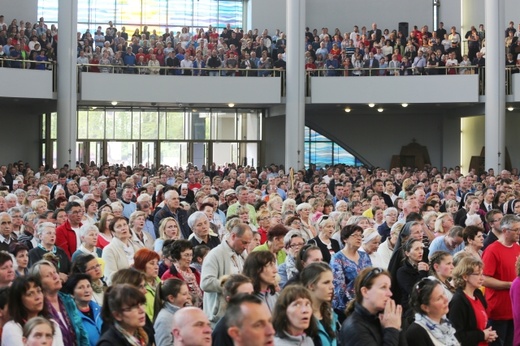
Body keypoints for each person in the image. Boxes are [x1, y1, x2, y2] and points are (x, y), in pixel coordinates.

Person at [200, 222, 253, 324]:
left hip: (238, 313)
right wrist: (232, 286)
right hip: (219, 317)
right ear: (233, 236)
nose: (246, 247)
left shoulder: (242, 254)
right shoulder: (214, 255)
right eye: (244, 242)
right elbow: (205, 283)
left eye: (248, 243)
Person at [29, 260, 89, 346]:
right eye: (48, 275)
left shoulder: (67, 300)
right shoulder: (39, 307)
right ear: (39, 284)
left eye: (55, 272)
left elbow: (82, 332)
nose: (55, 276)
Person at [340, 267, 405, 345]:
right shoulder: (354, 327)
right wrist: (392, 329)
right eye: (383, 287)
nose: (390, 293)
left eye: (389, 288)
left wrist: (397, 327)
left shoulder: (381, 319)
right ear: (365, 292)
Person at [482, 214, 520, 345]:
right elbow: (485, 279)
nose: (519, 233)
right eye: (516, 230)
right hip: (498, 311)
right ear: (505, 231)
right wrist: (511, 285)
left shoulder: (517, 248)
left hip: (514, 309)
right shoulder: (492, 250)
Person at [449, 257, 498, 345]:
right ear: (465, 276)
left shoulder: (478, 294)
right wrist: (482, 335)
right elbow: (457, 336)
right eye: (478, 274)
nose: (482, 278)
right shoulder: (458, 301)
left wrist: (489, 335)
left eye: (482, 274)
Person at [2, 276, 63, 346]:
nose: (38, 297)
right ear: (19, 300)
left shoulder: (53, 324)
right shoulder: (12, 328)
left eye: (39, 291)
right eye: (30, 294)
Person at [331, 224, 372, 321]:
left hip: (365, 302)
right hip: (346, 307)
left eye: (360, 236)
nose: (359, 238)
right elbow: (339, 287)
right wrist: (355, 304)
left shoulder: (364, 256)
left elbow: (371, 278)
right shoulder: (337, 258)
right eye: (355, 235)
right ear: (345, 239)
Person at [406, 278, 459, 345]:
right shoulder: (416, 332)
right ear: (425, 307)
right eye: (439, 298)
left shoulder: (447, 324)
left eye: (444, 294)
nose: (446, 299)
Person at [300, 262, 338, 346]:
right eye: (326, 282)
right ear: (311, 286)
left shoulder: (331, 314)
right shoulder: (301, 319)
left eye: (332, 282)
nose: (332, 286)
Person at [211, 274, 254, 346]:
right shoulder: (222, 331)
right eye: (245, 295)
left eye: (252, 294)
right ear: (230, 300)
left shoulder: (252, 321)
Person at [161, 239, 203, 307]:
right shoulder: (169, 276)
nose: (189, 259)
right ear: (177, 256)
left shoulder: (195, 272)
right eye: (186, 255)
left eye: (191, 255)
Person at [63, 274, 102, 346]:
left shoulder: (101, 311)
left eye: (88, 286)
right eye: (81, 287)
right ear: (72, 294)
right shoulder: (71, 318)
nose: (87, 290)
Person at [101, 216, 143, 285]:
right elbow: (110, 277)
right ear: (113, 232)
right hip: (122, 290)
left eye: (125, 224)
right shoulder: (109, 250)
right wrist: (128, 272)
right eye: (119, 226)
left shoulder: (136, 247)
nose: (123, 228)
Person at [153, 278, 192, 346]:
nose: (189, 297)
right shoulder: (164, 319)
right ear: (171, 298)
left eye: (188, 293)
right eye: (184, 294)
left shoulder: (182, 312)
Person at [397, 238, 430, 312]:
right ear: (407, 253)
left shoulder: (425, 266)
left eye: (421, 248)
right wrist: (422, 272)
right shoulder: (402, 272)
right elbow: (414, 291)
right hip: (411, 309)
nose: (420, 252)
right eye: (416, 249)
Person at [133, 248, 160, 321]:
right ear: (141, 266)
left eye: (157, 263)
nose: (156, 267)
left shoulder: (162, 284)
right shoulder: (137, 288)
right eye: (152, 263)